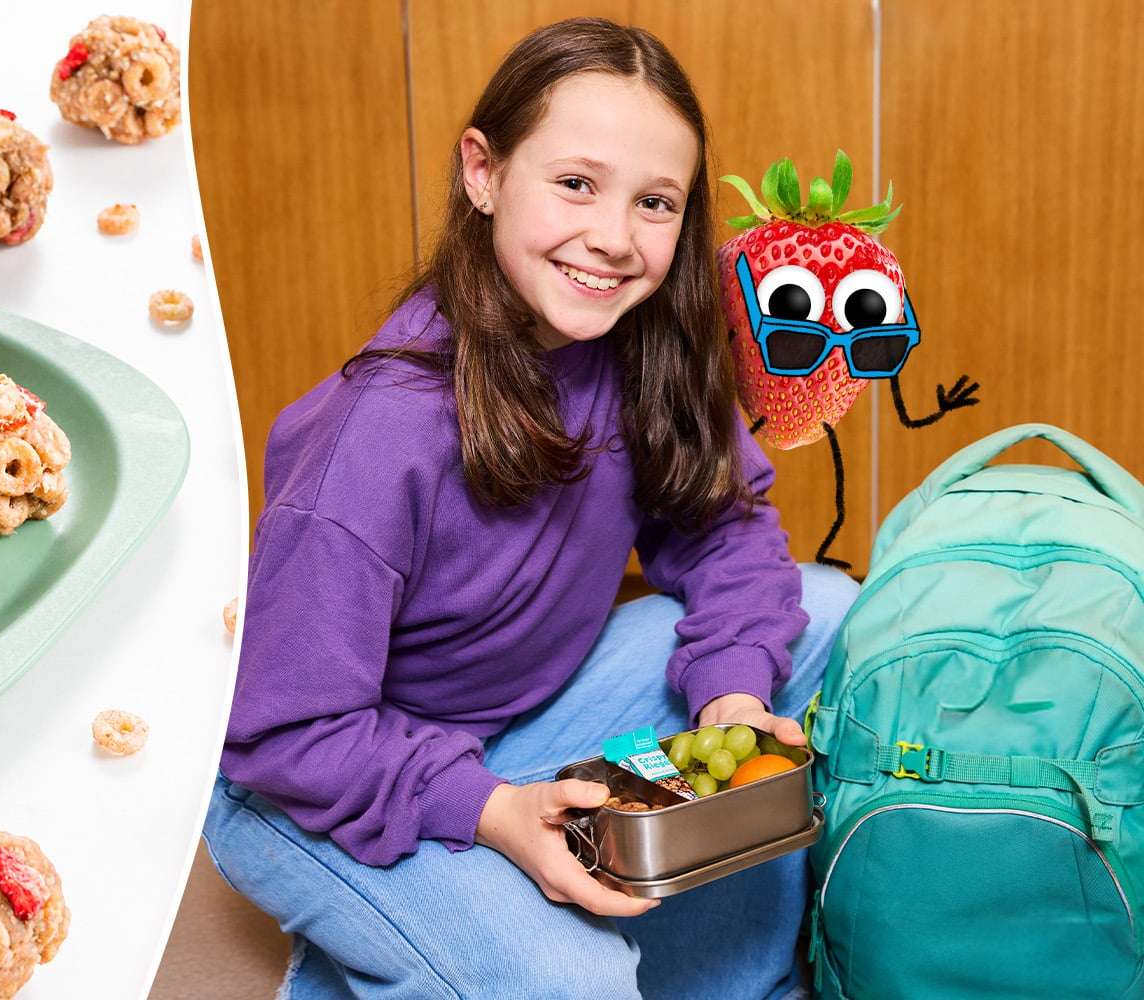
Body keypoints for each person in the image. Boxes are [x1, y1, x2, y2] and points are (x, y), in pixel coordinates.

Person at [202, 17, 859, 999]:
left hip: (510, 716)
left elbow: (720, 528)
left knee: (825, 614)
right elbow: (279, 732)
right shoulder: (373, 438)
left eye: (652, 202)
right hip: (307, 779)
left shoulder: (640, 350)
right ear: (482, 172)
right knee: (566, 978)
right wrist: (493, 811)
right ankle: (381, 946)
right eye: (574, 184)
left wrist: (729, 691)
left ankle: (720, 978)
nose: (611, 237)